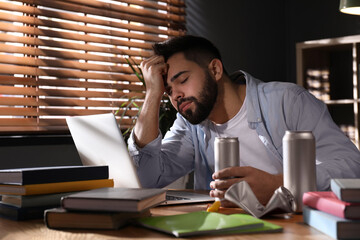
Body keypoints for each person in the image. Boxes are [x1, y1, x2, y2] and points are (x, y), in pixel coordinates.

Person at [127, 35, 360, 206]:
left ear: (215, 70)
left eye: (183, 79)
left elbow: (351, 167)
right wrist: (152, 95)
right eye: (167, 90)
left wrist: (281, 183)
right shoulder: (190, 123)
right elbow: (148, 178)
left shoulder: (288, 101)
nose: (175, 95)